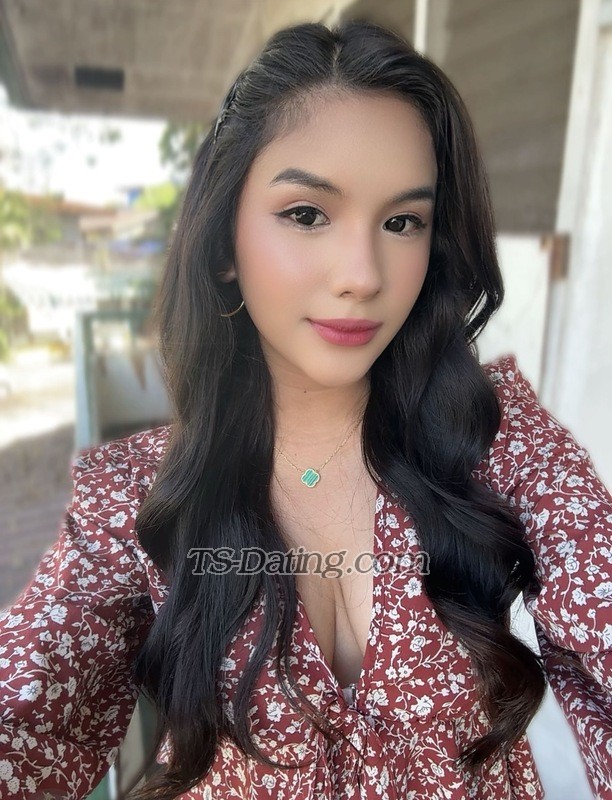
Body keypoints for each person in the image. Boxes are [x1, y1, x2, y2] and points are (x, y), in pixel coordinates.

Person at [0, 18, 610, 800]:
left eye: (402, 222)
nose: (362, 274)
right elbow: (28, 708)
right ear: (225, 242)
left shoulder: (496, 437)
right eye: (306, 213)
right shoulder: (132, 496)